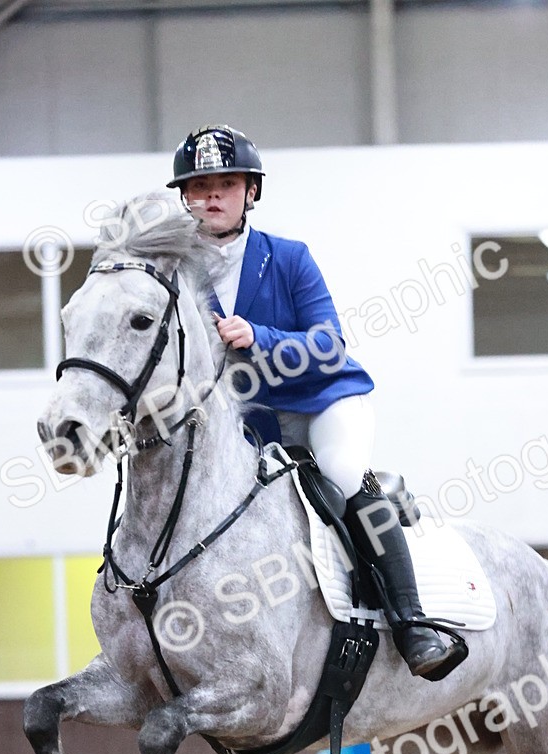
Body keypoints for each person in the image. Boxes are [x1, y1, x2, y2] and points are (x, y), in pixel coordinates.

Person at [166, 124, 467, 680]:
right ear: (184, 195)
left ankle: (411, 623)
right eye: (199, 185)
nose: (211, 196)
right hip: (246, 420)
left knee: (344, 472)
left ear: (250, 192)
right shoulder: (175, 271)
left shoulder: (288, 257)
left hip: (320, 402)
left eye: (225, 184)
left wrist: (259, 337)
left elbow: (329, 344)